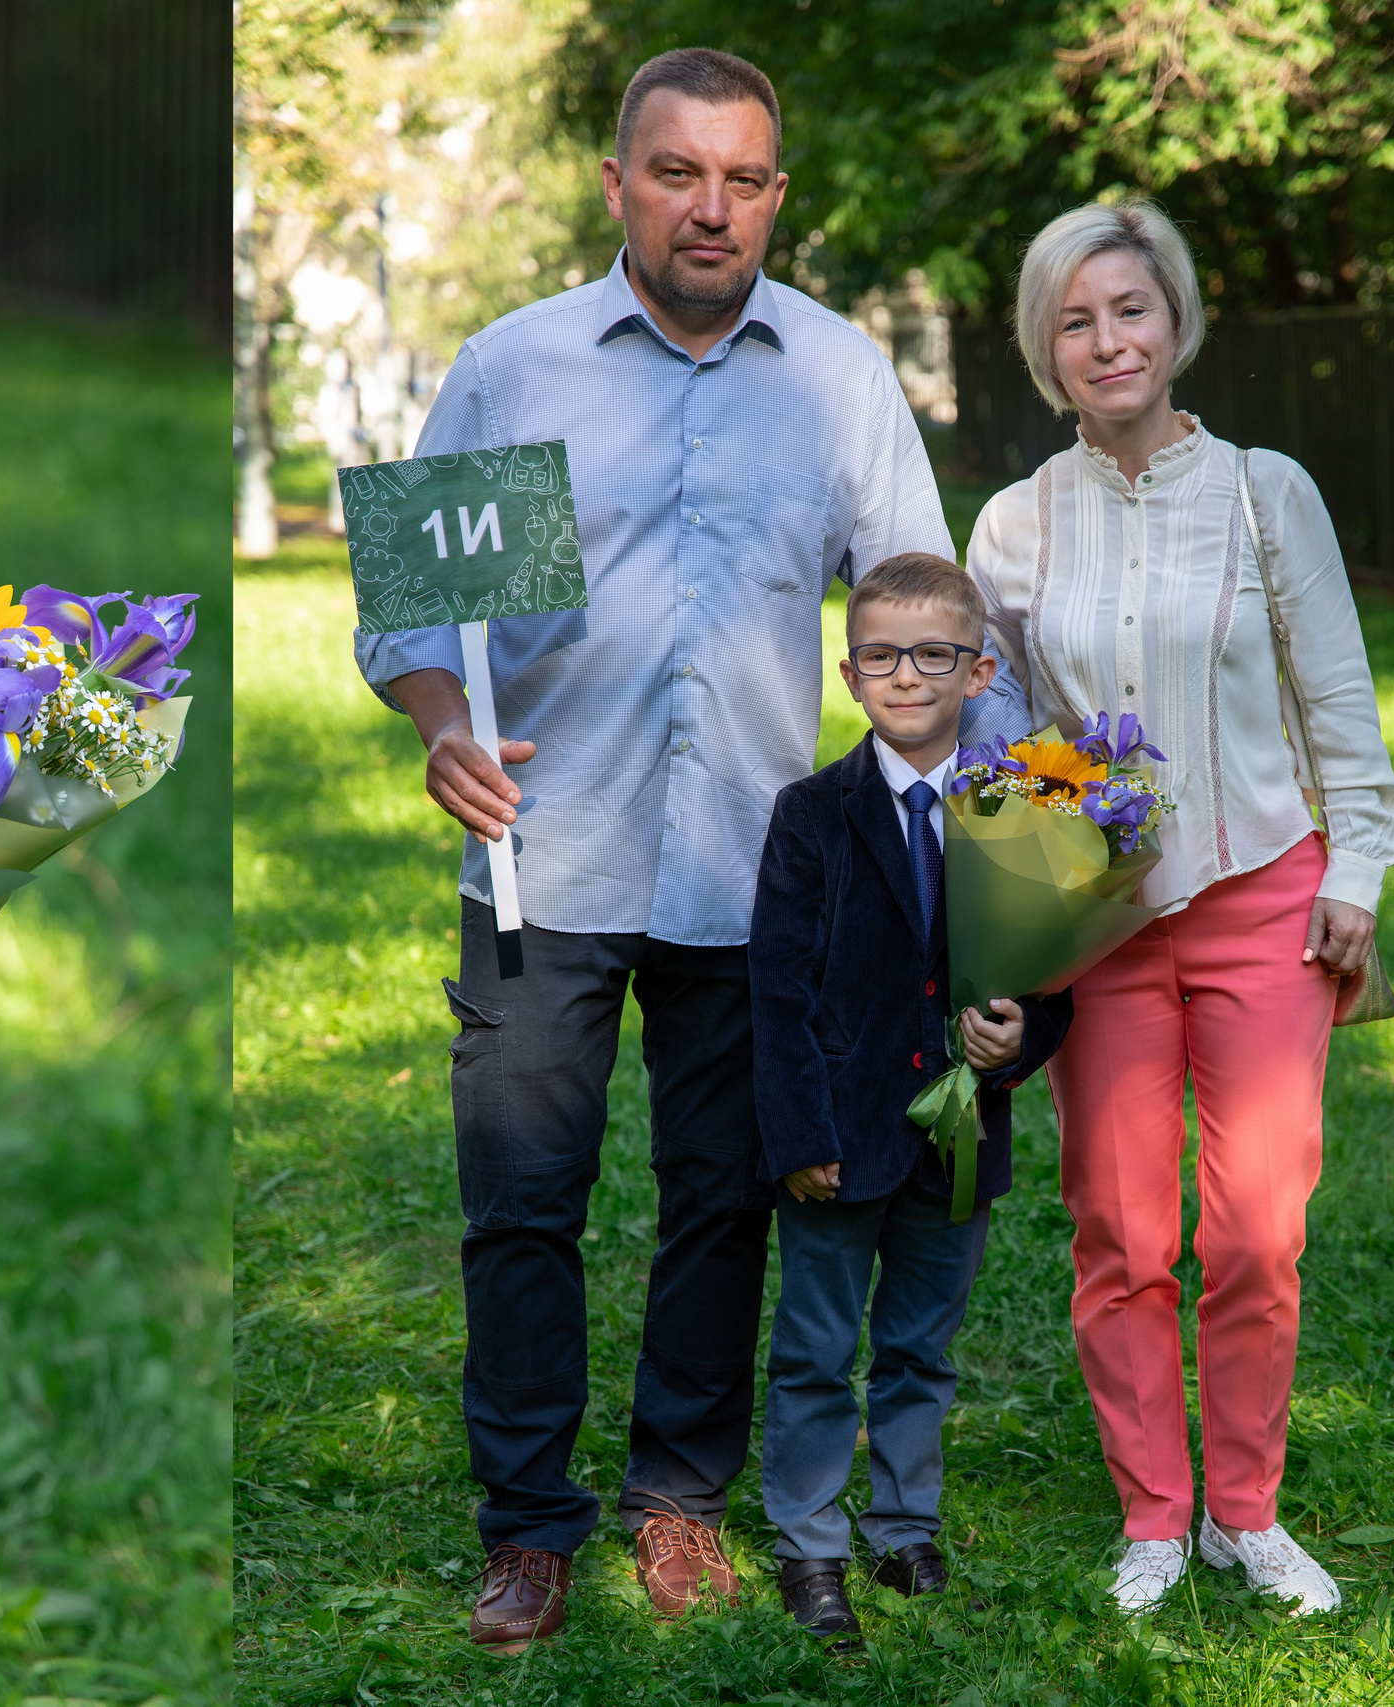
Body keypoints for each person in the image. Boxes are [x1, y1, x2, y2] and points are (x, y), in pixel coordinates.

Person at [355, 46, 982, 1651]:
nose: (712, 207)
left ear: (777, 195)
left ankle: (678, 1493)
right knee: (521, 1199)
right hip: (540, 852)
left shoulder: (839, 375)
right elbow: (411, 616)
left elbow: (918, 600)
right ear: (619, 184)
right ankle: (526, 1523)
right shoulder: (515, 367)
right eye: (678, 172)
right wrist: (444, 722)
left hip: (755, 867)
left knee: (723, 1195)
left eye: (743, 178)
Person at [964, 199, 1394, 1615]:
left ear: (1176, 322)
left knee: (1259, 1230)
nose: (1108, 341)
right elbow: (996, 741)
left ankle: (1248, 1512)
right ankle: (1157, 1513)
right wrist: (1038, 872)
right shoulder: (1012, 522)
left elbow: (1337, 697)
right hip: (1097, 920)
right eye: (1076, 320)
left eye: (1131, 310)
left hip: (1264, 892)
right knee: (1118, 1226)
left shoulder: (1267, 492)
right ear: (1045, 346)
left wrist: (1355, 870)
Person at [748, 551, 1072, 1647]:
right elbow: (777, 989)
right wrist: (799, 1133)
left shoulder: (1028, 808)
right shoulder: (810, 814)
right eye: (880, 656)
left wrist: (1020, 1039)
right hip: (837, 1139)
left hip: (958, 1138)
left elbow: (1055, 974)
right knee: (816, 1348)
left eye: (934, 655)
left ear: (979, 673)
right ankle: (809, 1543)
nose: (905, 676)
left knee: (921, 1347)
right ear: (849, 675)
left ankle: (902, 1525)